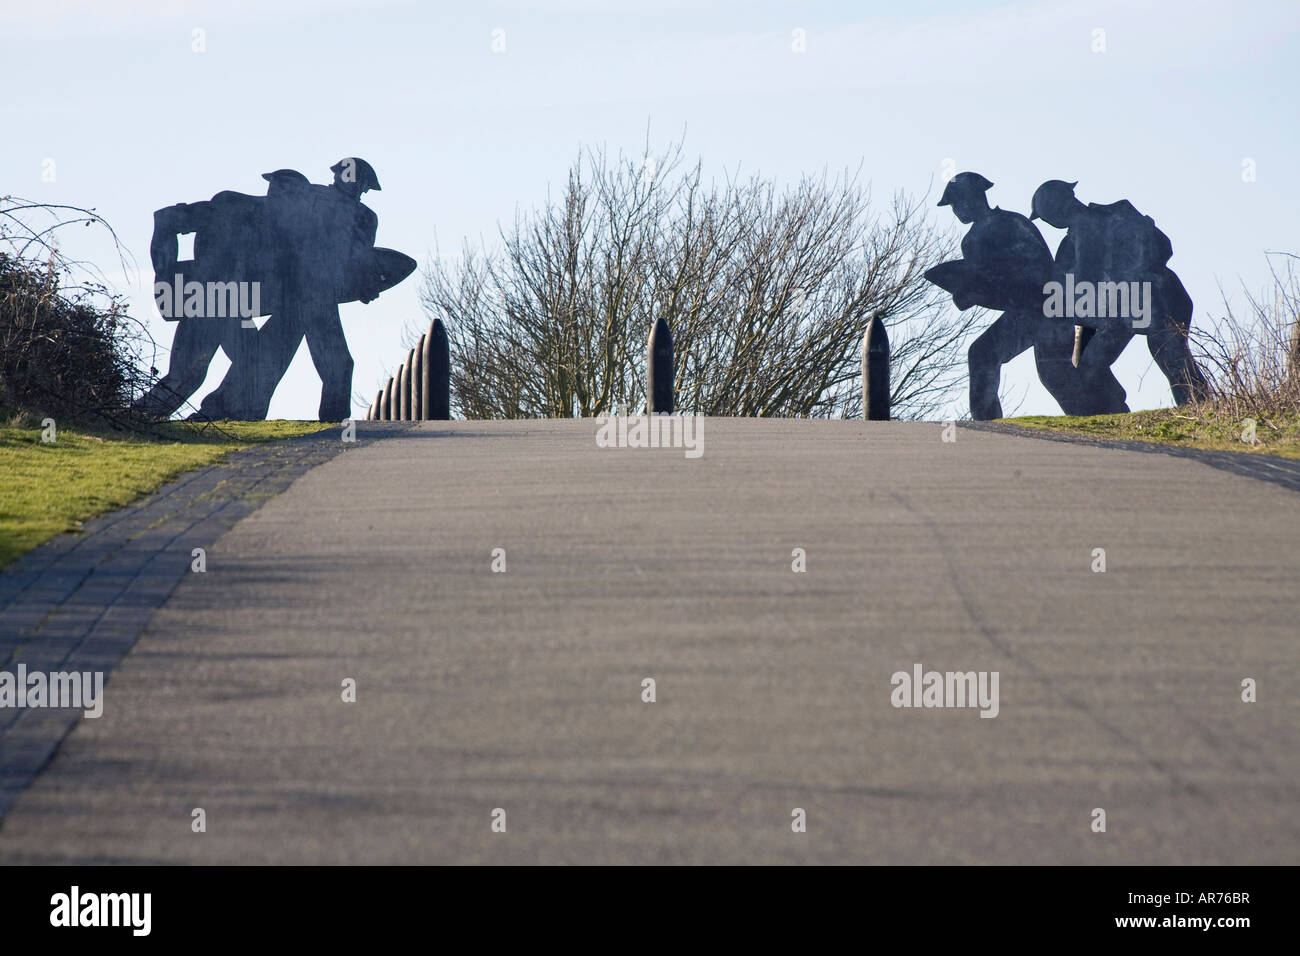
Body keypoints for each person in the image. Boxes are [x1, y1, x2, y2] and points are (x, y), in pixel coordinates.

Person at [926, 172, 1125, 420]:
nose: (956, 210)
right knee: (983, 353)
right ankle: (988, 425)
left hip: (1046, 307)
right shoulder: (970, 241)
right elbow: (991, 284)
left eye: (957, 202)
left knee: (1057, 373)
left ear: (974, 198)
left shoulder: (1012, 223)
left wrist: (992, 275)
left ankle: (1106, 414)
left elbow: (1039, 267)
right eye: (953, 206)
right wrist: (969, 290)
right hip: (1022, 311)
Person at [1029, 180, 1209, 406]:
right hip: (1150, 295)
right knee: (1165, 358)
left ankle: (1201, 411)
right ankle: (1198, 410)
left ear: (1054, 210)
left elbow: (1088, 277)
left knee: (1170, 357)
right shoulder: (1106, 216)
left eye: (1047, 217)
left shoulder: (1085, 225)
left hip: (1146, 300)